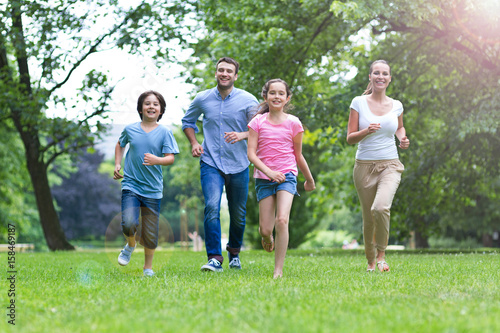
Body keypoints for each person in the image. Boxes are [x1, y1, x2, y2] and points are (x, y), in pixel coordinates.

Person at [181, 57, 259, 272]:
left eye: (229, 71)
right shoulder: (202, 98)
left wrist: (242, 134)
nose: (224, 74)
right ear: (216, 73)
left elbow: (258, 128)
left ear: (236, 76)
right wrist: (194, 142)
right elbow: (188, 122)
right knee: (212, 207)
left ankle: (234, 252)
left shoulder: (248, 100)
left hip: (240, 163)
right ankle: (215, 257)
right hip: (211, 162)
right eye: (221, 70)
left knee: (238, 213)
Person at [247, 78, 315, 278]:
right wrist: (268, 172)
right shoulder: (257, 122)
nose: (276, 96)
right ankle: (267, 237)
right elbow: (251, 154)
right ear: (265, 96)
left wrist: (309, 179)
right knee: (265, 229)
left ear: (287, 98)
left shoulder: (294, 122)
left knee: (282, 220)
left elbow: (298, 155)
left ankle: (278, 270)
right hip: (264, 178)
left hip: (287, 176)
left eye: (281, 93)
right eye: (272, 93)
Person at [346, 60, 410, 273]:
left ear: (390, 78)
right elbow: (350, 138)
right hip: (363, 166)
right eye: (376, 73)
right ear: (370, 77)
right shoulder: (358, 102)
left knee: (380, 208)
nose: (380, 76)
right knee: (368, 216)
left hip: (390, 164)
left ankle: (382, 255)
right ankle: (371, 262)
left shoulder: (397, 105)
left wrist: (403, 138)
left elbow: (399, 128)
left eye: (384, 73)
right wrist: (366, 131)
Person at [114, 90, 179, 276]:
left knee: (150, 233)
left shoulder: (165, 132)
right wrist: (118, 163)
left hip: (153, 189)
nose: (151, 106)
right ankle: (130, 244)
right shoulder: (130, 129)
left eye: (156, 104)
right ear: (141, 108)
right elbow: (120, 144)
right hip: (131, 185)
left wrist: (156, 160)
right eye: (147, 103)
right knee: (128, 223)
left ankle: (147, 268)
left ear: (161, 110)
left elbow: (170, 158)